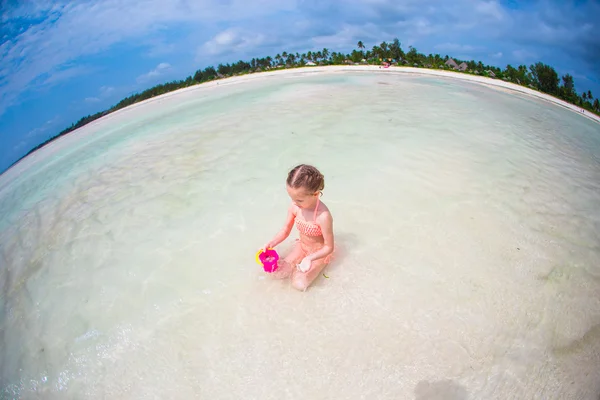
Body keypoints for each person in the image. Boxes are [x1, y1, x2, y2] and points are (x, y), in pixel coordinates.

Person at [262, 164, 335, 291]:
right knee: (278, 273)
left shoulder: (323, 216)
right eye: (292, 198)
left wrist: (309, 258)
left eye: (299, 200)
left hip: (318, 254)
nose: (295, 202)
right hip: (301, 247)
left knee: (298, 284)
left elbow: (329, 247)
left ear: (316, 194)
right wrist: (271, 243)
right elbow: (286, 230)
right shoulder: (295, 207)